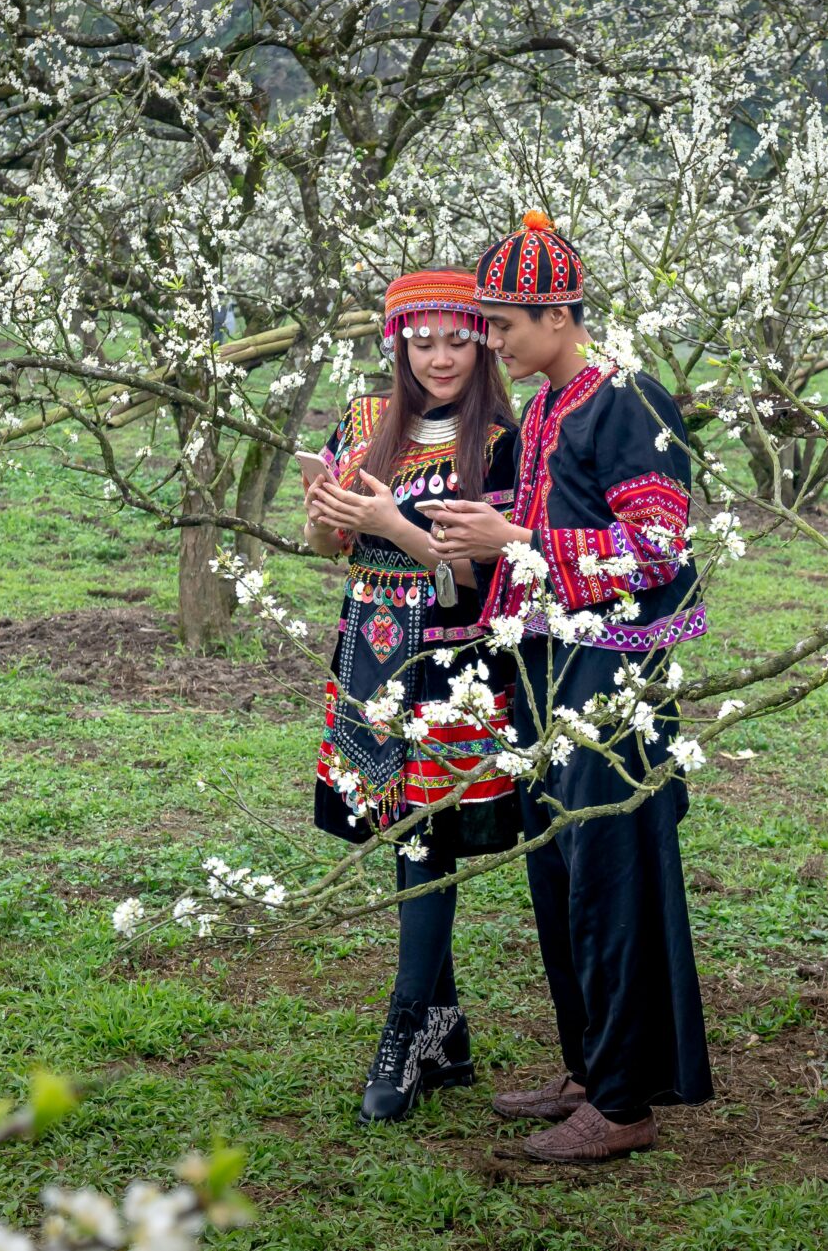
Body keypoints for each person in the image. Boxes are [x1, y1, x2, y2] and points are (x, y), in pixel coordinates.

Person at [425, 210, 712, 1164]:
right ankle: (590, 1068)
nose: (491, 344)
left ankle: (624, 1100)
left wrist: (515, 540)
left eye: (503, 324)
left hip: (615, 664)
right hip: (551, 662)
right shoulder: (549, 405)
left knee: (610, 871)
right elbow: (552, 530)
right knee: (561, 867)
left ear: (557, 313)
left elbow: (660, 545)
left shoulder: (628, 399)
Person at [302, 269, 522, 1124]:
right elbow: (325, 543)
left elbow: (480, 583)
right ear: (398, 343)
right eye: (421, 340)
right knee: (404, 831)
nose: (439, 357)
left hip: (449, 662)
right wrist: (329, 519)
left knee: (426, 839)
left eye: (458, 338)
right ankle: (447, 1031)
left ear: (482, 340)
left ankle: (405, 1031)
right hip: (369, 652)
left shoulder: (500, 440)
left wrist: (398, 526)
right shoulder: (364, 425)